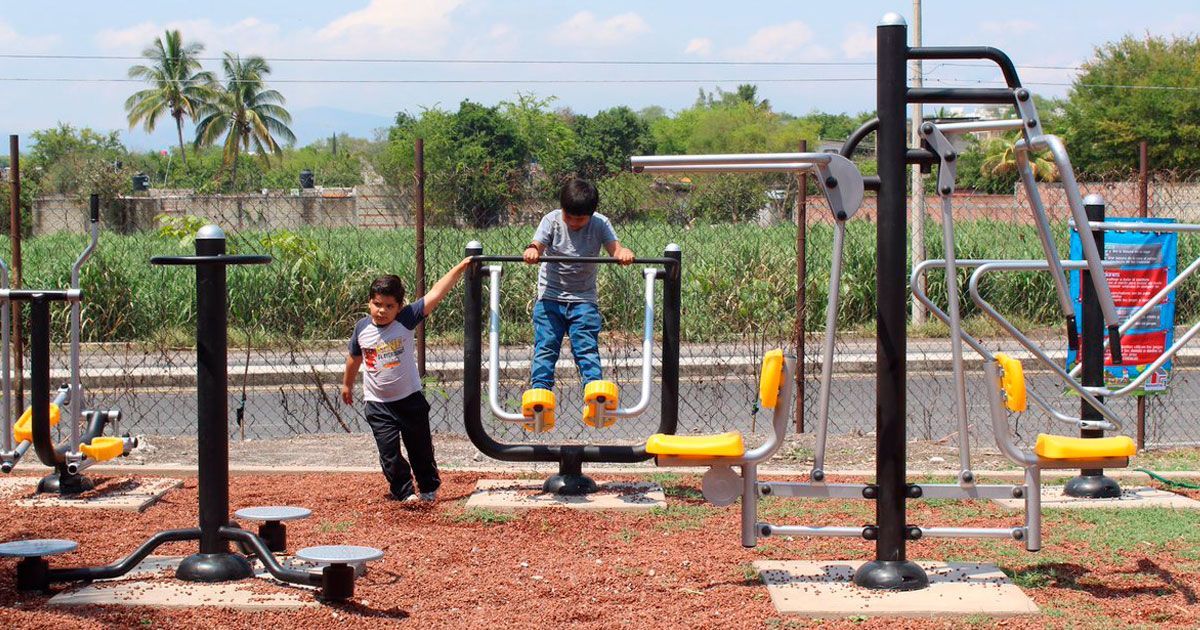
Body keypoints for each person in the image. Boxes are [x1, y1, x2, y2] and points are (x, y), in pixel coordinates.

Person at [341, 259, 471, 502]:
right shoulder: (362, 329)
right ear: (369, 303)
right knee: (389, 452)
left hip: (409, 400)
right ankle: (403, 491)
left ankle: (428, 487)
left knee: (419, 448)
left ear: (399, 307)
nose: (382, 311)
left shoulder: (406, 319)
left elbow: (436, 293)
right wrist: (347, 385)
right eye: (377, 304)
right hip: (378, 404)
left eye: (389, 306)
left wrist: (460, 268)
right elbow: (353, 358)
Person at [523, 177, 635, 396]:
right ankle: (540, 392)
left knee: (585, 347)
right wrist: (533, 250)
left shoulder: (601, 223)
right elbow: (537, 244)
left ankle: (594, 391)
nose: (574, 223)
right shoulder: (551, 220)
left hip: (583, 299)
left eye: (580, 219)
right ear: (562, 209)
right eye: (569, 217)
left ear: (591, 215)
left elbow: (615, 248)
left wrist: (623, 253)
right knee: (546, 346)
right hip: (550, 298)